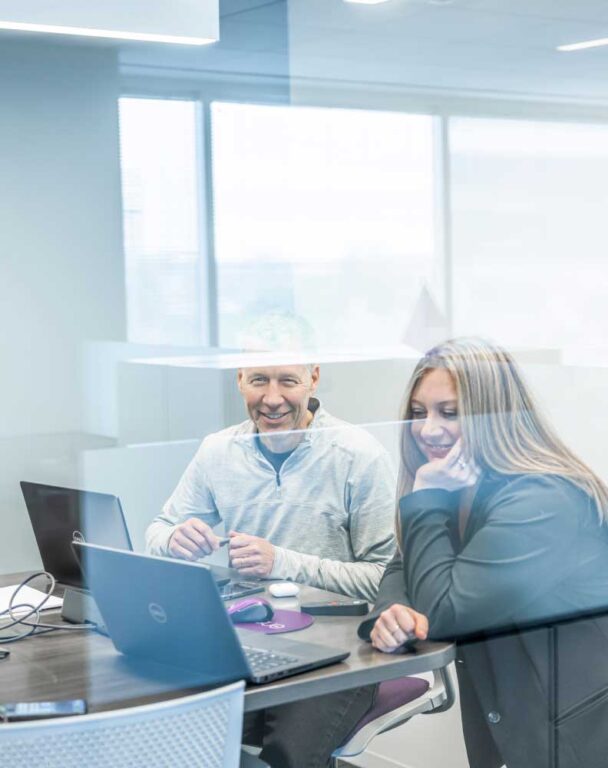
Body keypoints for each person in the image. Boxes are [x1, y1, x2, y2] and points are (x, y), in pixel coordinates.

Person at [146, 313, 396, 767]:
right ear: (239, 379)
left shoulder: (359, 457)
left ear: (314, 377)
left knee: (286, 758)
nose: (272, 398)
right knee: (167, 732)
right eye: (259, 379)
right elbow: (158, 532)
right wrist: (174, 539)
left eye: (288, 380)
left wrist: (280, 560)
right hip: (244, 638)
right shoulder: (218, 450)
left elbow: (385, 579)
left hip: (337, 653)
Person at [359, 337, 608, 768]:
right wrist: (393, 611)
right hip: (510, 714)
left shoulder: (544, 498)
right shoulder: (463, 483)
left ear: (495, 414)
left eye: (450, 412)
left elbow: (447, 610)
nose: (427, 429)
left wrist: (427, 496)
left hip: (574, 729)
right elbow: (402, 565)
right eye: (418, 412)